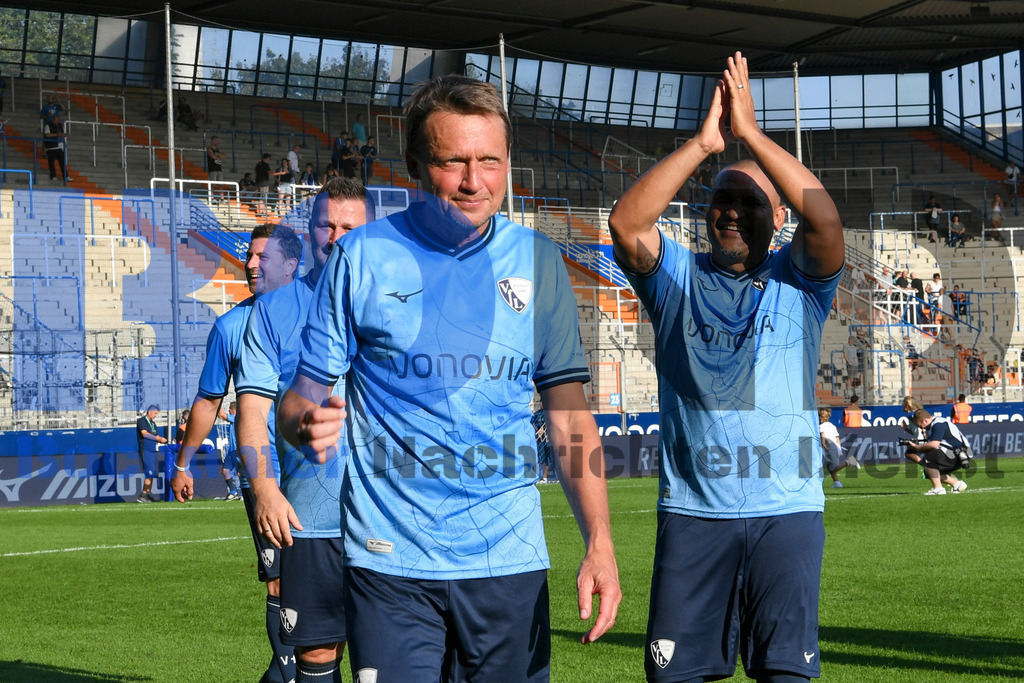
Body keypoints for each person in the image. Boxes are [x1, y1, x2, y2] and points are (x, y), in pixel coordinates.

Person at [278, 74, 620, 681]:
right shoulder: (362, 259)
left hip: (507, 560)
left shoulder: (539, 262)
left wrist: (599, 541)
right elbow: (297, 401)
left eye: (490, 161)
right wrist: (305, 423)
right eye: (453, 162)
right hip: (390, 564)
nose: (474, 182)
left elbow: (569, 415)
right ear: (414, 164)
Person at [608, 52, 843, 683]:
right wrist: (704, 144)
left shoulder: (800, 282)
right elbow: (626, 223)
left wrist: (754, 137)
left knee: (788, 675)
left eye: (750, 201)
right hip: (694, 516)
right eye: (722, 199)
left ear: (779, 217)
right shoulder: (677, 279)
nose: (733, 211)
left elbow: (826, 218)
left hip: (785, 516)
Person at [237, 178, 371, 683]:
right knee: (316, 660)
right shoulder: (272, 311)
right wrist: (265, 488)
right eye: (325, 225)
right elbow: (250, 412)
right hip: (311, 517)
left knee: (390, 659)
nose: (335, 236)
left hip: (394, 515)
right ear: (309, 231)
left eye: (349, 226)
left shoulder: (401, 301)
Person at [170, 223, 299, 683]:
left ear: (290, 264)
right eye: (249, 256)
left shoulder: (320, 314)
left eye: (262, 257)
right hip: (264, 471)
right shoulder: (230, 326)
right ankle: (285, 671)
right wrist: (183, 463)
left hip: (324, 469)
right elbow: (209, 401)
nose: (249, 264)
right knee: (281, 578)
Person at [903, 409, 970, 495]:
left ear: (925, 420)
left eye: (920, 425)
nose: (920, 428)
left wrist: (918, 447)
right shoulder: (935, 423)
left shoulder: (938, 424)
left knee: (930, 456)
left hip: (960, 454)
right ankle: (956, 484)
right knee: (930, 471)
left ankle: (938, 489)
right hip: (954, 453)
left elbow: (934, 444)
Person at [819, 408, 858, 488]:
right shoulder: (832, 426)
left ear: (821, 418)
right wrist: (839, 449)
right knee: (829, 466)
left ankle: (848, 462)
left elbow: (823, 436)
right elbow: (837, 438)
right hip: (836, 447)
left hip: (829, 447)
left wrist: (823, 444)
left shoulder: (821, 426)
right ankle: (837, 483)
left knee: (831, 468)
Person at [136, 404, 167, 503]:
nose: (155, 416)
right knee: (149, 472)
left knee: (153, 472)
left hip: (152, 450)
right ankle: (143, 494)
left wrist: (161, 439)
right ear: (149, 412)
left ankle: (148, 494)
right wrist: (158, 438)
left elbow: (155, 435)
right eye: (155, 413)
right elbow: (145, 434)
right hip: (145, 449)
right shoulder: (142, 421)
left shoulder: (153, 424)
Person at [218, 401, 242, 500]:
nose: (229, 411)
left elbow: (221, 415)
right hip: (231, 451)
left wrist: (216, 400)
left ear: (234, 410)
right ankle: (233, 492)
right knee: (225, 470)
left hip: (239, 450)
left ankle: (242, 493)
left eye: (230, 410)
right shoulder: (233, 419)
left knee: (241, 473)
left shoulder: (237, 418)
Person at [43, 114, 69, 182]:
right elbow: (47, 134)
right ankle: (53, 176)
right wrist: (56, 135)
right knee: (51, 163)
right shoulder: (47, 125)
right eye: (55, 120)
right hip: (51, 147)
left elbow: (62, 133)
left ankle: (66, 176)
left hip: (59, 146)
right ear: (53, 119)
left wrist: (63, 135)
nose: (56, 121)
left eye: (57, 120)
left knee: (62, 162)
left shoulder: (60, 125)